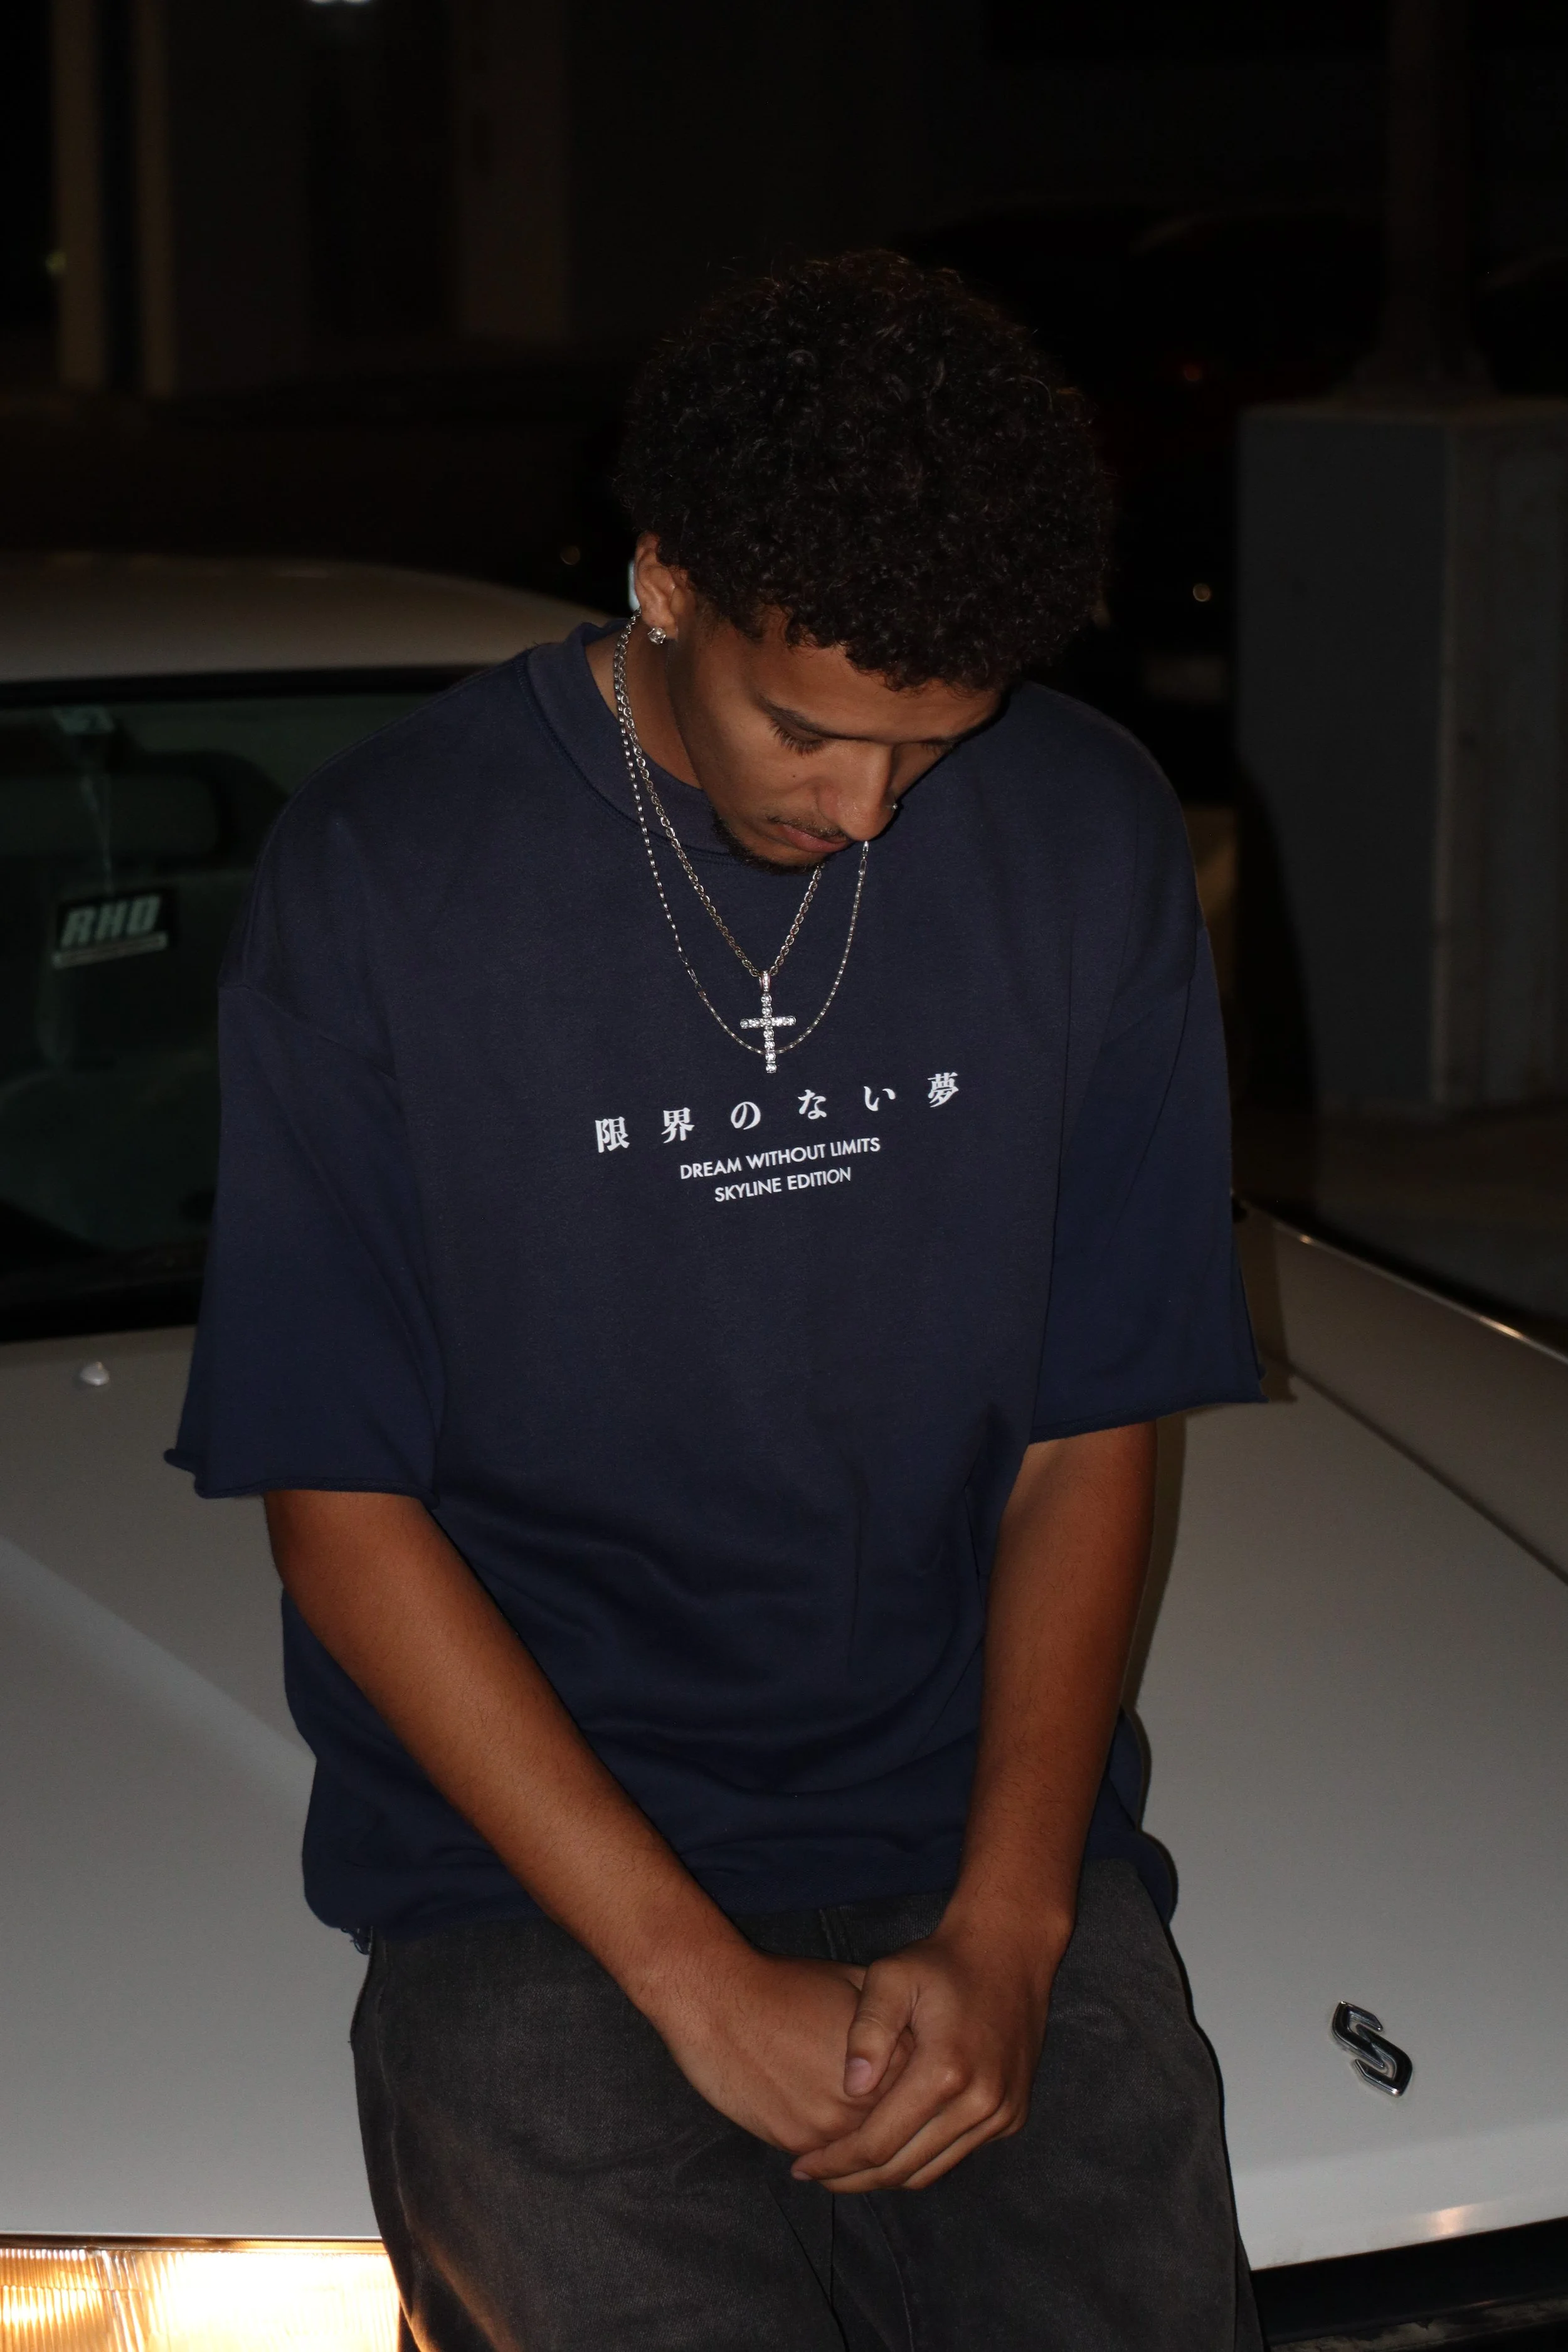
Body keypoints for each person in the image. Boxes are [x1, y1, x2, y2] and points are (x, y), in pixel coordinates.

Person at [170, 250, 1264, 2350]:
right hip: (527, 1866)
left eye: (930, 749)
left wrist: (1016, 1924)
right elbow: (341, 1508)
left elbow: (1085, 1428)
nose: (861, 811)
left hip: (958, 1811)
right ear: (664, 579)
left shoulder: (1084, 833)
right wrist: (689, 1976)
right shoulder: (390, 872)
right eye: (807, 728)